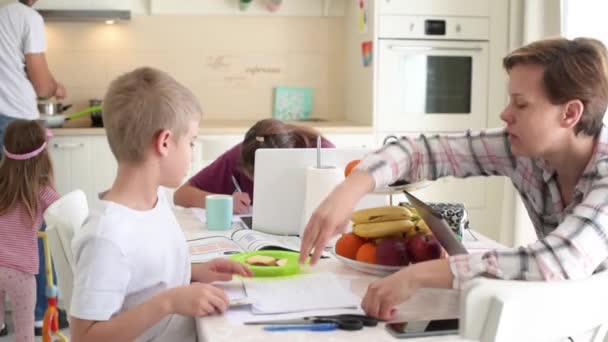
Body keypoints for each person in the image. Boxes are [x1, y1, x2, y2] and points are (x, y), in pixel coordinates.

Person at [299, 37, 608, 320]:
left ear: (570, 114)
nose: (505, 113)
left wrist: (420, 275)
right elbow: (422, 152)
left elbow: (558, 261)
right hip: (564, 315)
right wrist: (350, 188)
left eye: (521, 103)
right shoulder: (524, 151)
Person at [69, 67, 253, 342]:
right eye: (191, 142)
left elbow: (144, 279)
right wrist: (168, 302)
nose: (192, 153)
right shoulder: (106, 238)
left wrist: (195, 273)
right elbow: (85, 337)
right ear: (165, 142)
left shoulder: (156, 202)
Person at [174, 118, 334, 214]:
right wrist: (226, 202)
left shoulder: (321, 153)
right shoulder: (242, 153)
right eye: (254, 176)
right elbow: (181, 195)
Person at [0, 120, 60, 341]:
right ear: (42, 157)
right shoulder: (42, 191)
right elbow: (64, 213)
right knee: (24, 332)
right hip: (21, 273)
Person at [0, 0, 66, 150]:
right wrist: (56, 89)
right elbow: (43, 88)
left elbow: (23, 70)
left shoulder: (3, 15)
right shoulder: (29, 17)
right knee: (23, 174)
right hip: (17, 120)